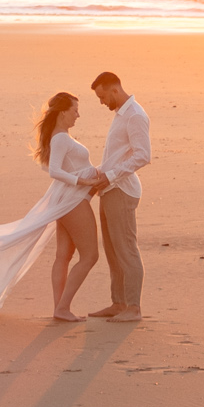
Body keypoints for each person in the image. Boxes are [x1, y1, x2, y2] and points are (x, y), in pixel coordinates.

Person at [0, 91, 104, 319]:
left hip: (68, 200)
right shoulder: (61, 138)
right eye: (75, 110)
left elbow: (62, 167)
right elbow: (54, 171)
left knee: (64, 255)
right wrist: (84, 181)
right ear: (63, 112)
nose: (78, 115)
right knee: (90, 256)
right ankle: (62, 307)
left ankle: (60, 309)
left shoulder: (61, 136)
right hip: (72, 201)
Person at [76, 70, 151, 322]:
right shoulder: (121, 114)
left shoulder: (135, 116)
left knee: (126, 249)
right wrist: (99, 176)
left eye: (102, 97)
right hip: (109, 188)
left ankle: (133, 307)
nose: (101, 102)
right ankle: (118, 303)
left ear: (114, 90)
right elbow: (116, 155)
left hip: (122, 190)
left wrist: (111, 176)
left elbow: (143, 155)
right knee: (112, 250)